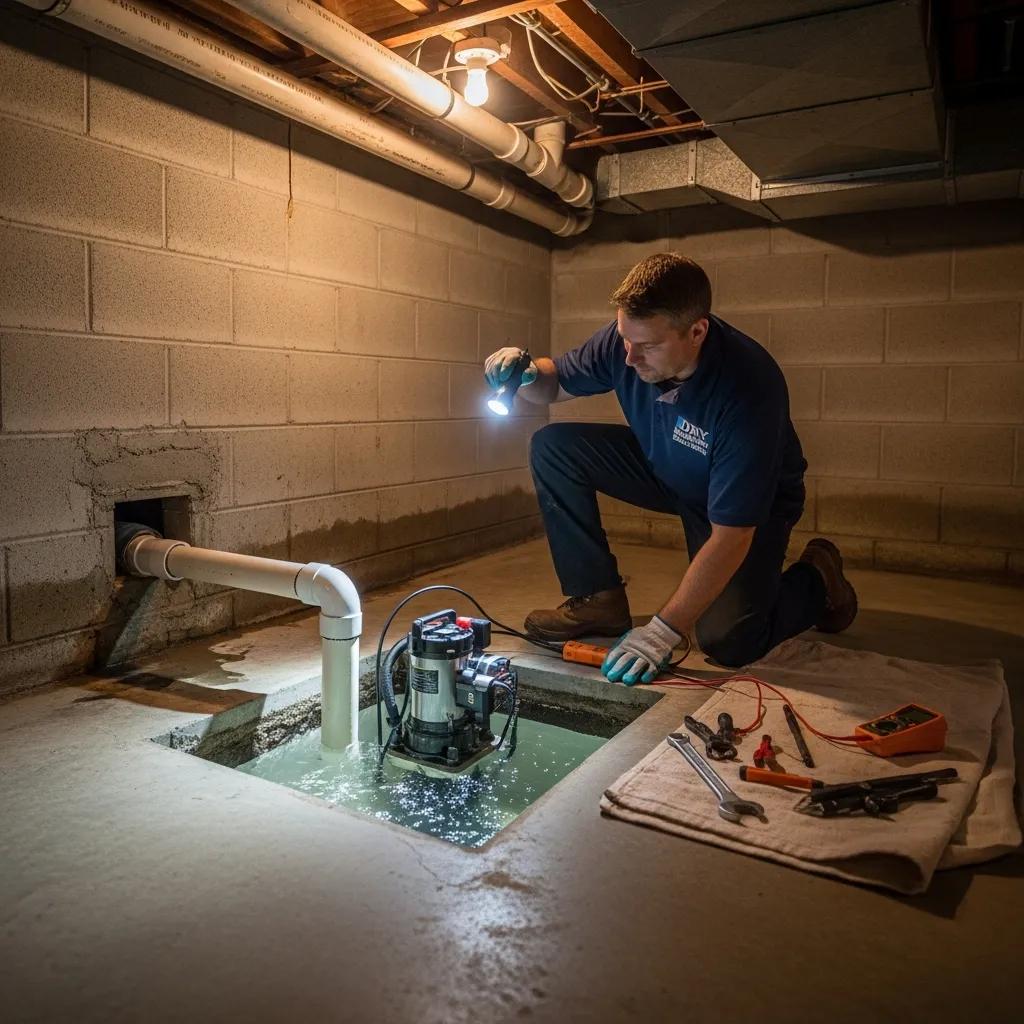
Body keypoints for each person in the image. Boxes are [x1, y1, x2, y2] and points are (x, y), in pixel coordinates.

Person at [483, 253, 857, 685]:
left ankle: (819, 578)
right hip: (666, 467)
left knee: (728, 640)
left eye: (648, 346)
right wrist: (528, 373)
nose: (629, 358)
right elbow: (556, 383)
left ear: (697, 331)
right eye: (625, 338)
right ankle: (598, 597)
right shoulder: (626, 342)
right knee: (554, 446)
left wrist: (663, 630)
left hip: (745, 505)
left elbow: (733, 534)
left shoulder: (748, 388)